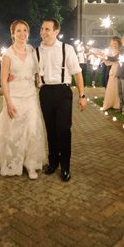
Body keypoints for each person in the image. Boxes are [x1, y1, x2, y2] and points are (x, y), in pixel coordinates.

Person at [0, 20, 46, 178]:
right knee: (15, 132)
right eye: (18, 31)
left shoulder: (32, 51)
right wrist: (8, 103)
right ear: (13, 34)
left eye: (25, 30)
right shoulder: (7, 55)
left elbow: (39, 69)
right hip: (14, 96)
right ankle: (13, 163)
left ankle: (31, 165)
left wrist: (38, 79)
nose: (22, 34)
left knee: (32, 130)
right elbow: (3, 80)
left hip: (30, 95)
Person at [37, 18, 86, 182]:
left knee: (64, 130)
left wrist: (82, 95)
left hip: (63, 91)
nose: (43, 32)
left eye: (47, 29)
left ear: (56, 31)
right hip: (45, 92)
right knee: (50, 130)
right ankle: (53, 162)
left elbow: (77, 72)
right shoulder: (37, 51)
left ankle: (65, 166)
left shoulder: (67, 49)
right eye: (42, 29)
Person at [89, 37, 121, 111]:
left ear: (119, 43)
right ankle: (110, 103)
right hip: (113, 68)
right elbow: (102, 52)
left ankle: (117, 103)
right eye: (113, 43)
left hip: (118, 68)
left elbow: (113, 58)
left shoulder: (119, 51)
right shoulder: (110, 51)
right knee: (111, 85)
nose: (114, 45)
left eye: (115, 43)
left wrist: (105, 57)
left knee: (117, 86)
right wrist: (93, 50)